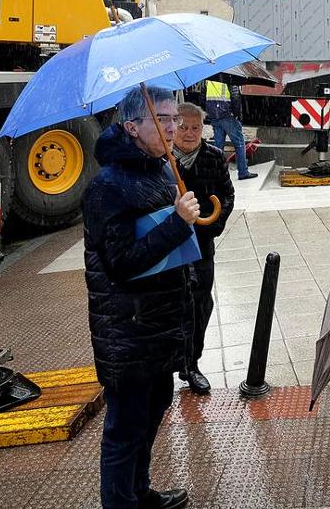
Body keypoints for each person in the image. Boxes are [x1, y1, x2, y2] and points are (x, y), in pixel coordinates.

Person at [82, 87, 200, 509]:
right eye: (162, 119)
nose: (173, 127)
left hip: (160, 325)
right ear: (131, 127)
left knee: (150, 416)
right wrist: (176, 224)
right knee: (125, 429)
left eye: (174, 118)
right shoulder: (108, 186)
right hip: (128, 331)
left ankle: (138, 493)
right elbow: (121, 263)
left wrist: (183, 214)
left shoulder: (161, 172)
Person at [172, 102, 234, 396]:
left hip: (202, 244)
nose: (189, 133)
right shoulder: (161, 161)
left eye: (195, 127)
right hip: (169, 246)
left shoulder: (214, 157)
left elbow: (227, 194)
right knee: (172, 304)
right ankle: (169, 361)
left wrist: (212, 225)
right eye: (182, 126)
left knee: (200, 304)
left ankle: (191, 364)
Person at [204, 79, 257, 180]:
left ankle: (217, 172)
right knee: (239, 144)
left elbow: (203, 96)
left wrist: (209, 113)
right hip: (228, 115)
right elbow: (235, 96)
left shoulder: (210, 78)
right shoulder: (229, 77)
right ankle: (243, 172)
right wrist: (236, 114)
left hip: (214, 116)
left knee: (218, 147)